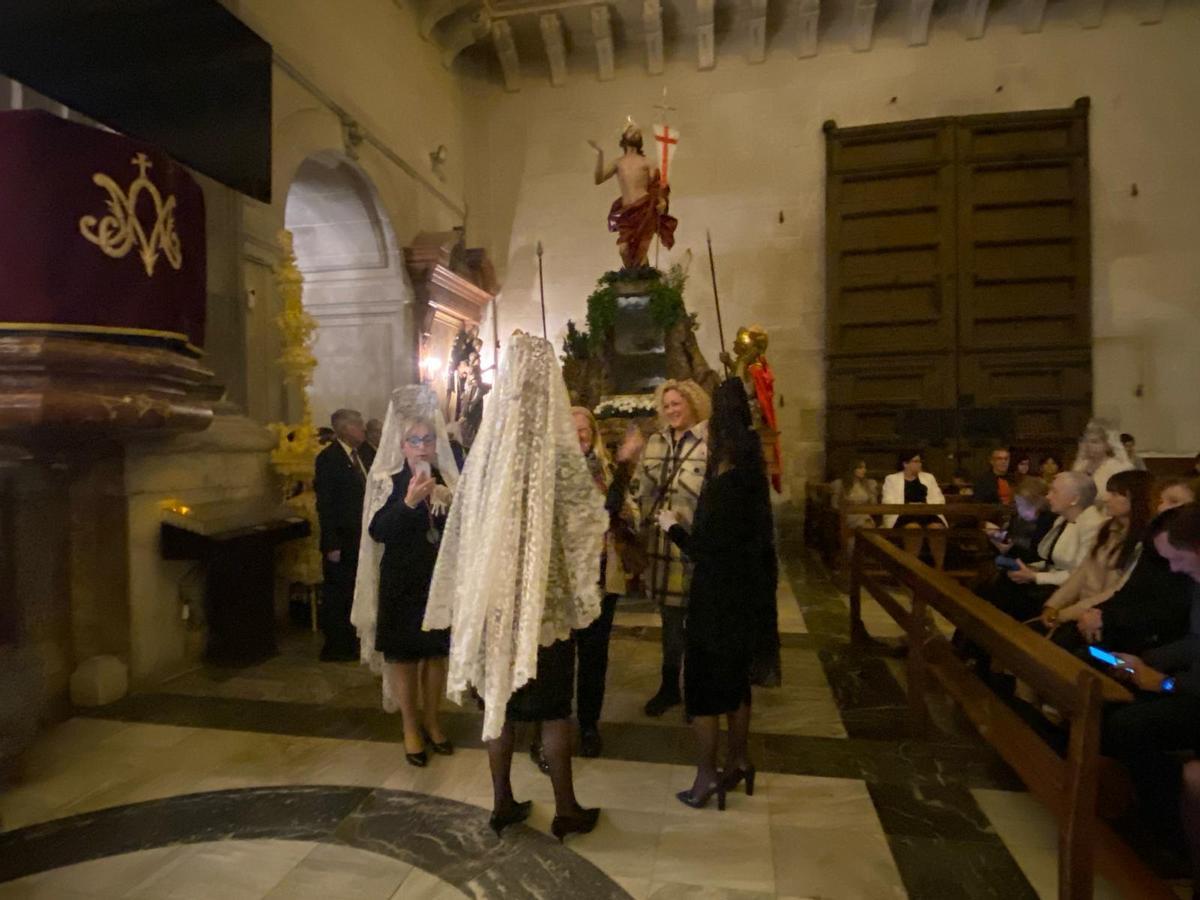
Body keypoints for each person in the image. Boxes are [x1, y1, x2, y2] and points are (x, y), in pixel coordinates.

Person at [424, 332, 608, 842]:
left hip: (492, 604)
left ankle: (502, 801)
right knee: (553, 709)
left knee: (498, 705)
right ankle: (566, 807)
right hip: (543, 608)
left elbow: (465, 525)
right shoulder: (556, 454)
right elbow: (585, 518)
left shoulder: (488, 452)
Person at [658, 379, 779, 810]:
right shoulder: (751, 474)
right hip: (747, 594)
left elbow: (704, 550)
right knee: (736, 680)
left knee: (704, 687)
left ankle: (706, 774)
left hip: (716, 597)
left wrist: (672, 526)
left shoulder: (725, 483)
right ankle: (739, 759)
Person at [353, 386, 457, 768]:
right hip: (400, 577)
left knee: (435, 654)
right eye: (415, 440)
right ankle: (410, 727)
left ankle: (433, 720)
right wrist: (410, 503)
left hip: (437, 577)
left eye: (428, 439)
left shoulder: (447, 474)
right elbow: (377, 531)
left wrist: (450, 501)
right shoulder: (386, 478)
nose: (423, 447)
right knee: (404, 656)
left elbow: (461, 529)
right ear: (402, 443)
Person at [530, 407, 633, 768]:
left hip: (601, 580)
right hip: (561, 584)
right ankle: (545, 733)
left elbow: (618, 510)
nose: (581, 436)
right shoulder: (553, 473)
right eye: (573, 430)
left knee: (593, 658)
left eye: (586, 430)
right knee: (555, 661)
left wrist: (627, 509)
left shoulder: (603, 470)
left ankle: (589, 725)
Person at [1101, 504, 1200, 878]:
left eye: (1178, 559)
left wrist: (1166, 682)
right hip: (1188, 686)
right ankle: (1154, 821)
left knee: (1133, 725)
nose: (1174, 570)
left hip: (1193, 692)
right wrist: (1146, 661)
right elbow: (1195, 641)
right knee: (1114, 711)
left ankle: (1172, 838)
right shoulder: (1198, 582)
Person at [635, 379, 711, 717]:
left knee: (699, 626)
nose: (671, 410)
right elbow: (642, 490)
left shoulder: (710, 443)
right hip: (663, 550)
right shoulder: (655, 443)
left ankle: (698, 691)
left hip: (695, 547)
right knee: (669, 625)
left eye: (677, 403)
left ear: (693, 403)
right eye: (666, 405)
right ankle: (668, 687)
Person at [1039, 470, 1155, 630]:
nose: (1107, 499)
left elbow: (1116, 590)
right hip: (1082, 609)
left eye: (1115, 494)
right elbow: (1082, 572)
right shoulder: (1106, 529)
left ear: (1136, 499)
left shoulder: (1144, 540)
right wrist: (1054, 605)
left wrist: (1066, 614)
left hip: (1105, 617)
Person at [987, 471, 1103, 622]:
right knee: (997, 585)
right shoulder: (1063, 519)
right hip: (1049, 583)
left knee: (1006, 596)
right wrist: (1030, 568)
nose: (1048, 497)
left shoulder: (1093, 526)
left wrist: (1035, 576)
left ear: (1074, 499)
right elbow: (1050, 558)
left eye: (1054, 491)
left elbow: (1080, 574)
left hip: (1065, 593)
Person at [314, 408, 376, 661]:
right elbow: (326, 504)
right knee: (339, 593)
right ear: (344, 428)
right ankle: (337, 646)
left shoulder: (360, 456)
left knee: (354, 589)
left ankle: (353, 640)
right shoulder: (329, 459)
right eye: (358, 424)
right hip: (341, 538)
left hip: (359, 537)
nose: (362, 428)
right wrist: (331, 543)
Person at [588, 120, 678, 269]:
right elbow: (598, 179)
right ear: (624, 137)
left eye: (638, 132)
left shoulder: (646, 162)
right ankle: (638, 278)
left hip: (644, 209)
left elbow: (659, 184)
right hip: (626, 213)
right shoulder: (618, 163)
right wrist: (600, 154)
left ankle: (640, 282)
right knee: (624, 250)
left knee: (640, 250)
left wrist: (662, 200)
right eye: (631, 131)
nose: (635, 133)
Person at [881, 450, 947, 569]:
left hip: (927, 513)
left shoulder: (928, 477)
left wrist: (925, 506)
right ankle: (912, 568)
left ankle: (939, 568)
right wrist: (909, 506)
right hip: (903, 514)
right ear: (905, 464)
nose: (919, 464)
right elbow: (888, 501)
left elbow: (939, 498)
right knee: (913, 529)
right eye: (916, 461)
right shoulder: (892, 479)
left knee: (937, 528)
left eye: (920, 461)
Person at [988, 477, 1055, 565]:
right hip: (1014, 561)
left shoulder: (1047, 521)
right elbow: (1009, 538)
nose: (1021, 509)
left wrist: (1009, 550)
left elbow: (1038, 555)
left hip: (1034, 567)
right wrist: (997, 535)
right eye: (1019, 504)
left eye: (1026, 505)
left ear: (1040, 503)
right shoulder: (1017, 518)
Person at [1073, 419, 1134, 508]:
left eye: (1095, 442)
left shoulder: (1118, 467)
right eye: (1086, 441)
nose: (1088, 445)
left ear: (1107, 444)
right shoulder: (1080, 466)